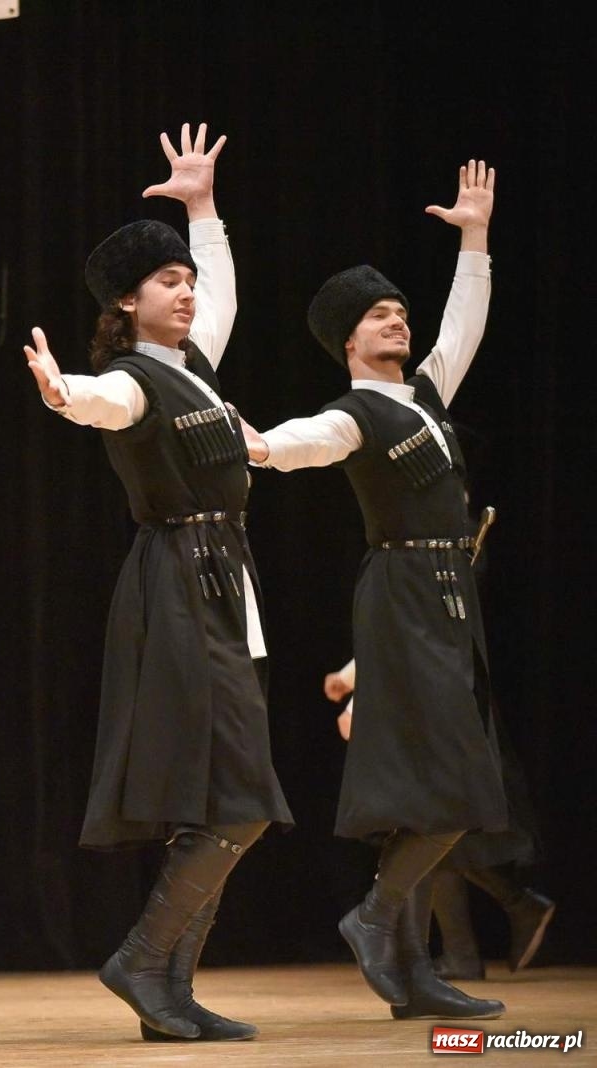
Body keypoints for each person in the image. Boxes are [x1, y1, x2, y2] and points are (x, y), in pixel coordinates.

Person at [24, 124, 291, 1042]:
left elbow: (222, 291)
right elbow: (104, 408)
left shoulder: (196, 367)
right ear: (128, 306)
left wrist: (202, 207)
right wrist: (64, 394)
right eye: (167, 283)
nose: (185, 292)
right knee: (242, 799)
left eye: (186, 280)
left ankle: (168, 991)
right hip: (179, 584)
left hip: (224, 583)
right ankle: (142, 961)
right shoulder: (132, 378)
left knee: (222, 800)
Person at [249, 160, 507, 1020]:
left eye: (400, 308)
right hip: (402, 594)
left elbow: (465, 321)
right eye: (378, 314)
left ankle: (410, 974)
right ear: (349, 342)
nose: (396, 317)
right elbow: (308, 440)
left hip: (446, 597)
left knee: (430, 793)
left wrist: (474, 235)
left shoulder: (427, 393)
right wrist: (259, 447)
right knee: (457, 791)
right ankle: (374, 917)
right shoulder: (357, 412)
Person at [324, 658, 554, 982]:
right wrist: (350, 677)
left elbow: (404, 635)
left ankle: (434, 949)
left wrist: (358, 702)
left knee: (432, 828)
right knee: (437, 834)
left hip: (434, 709)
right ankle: (467, 945)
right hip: (447, 702)